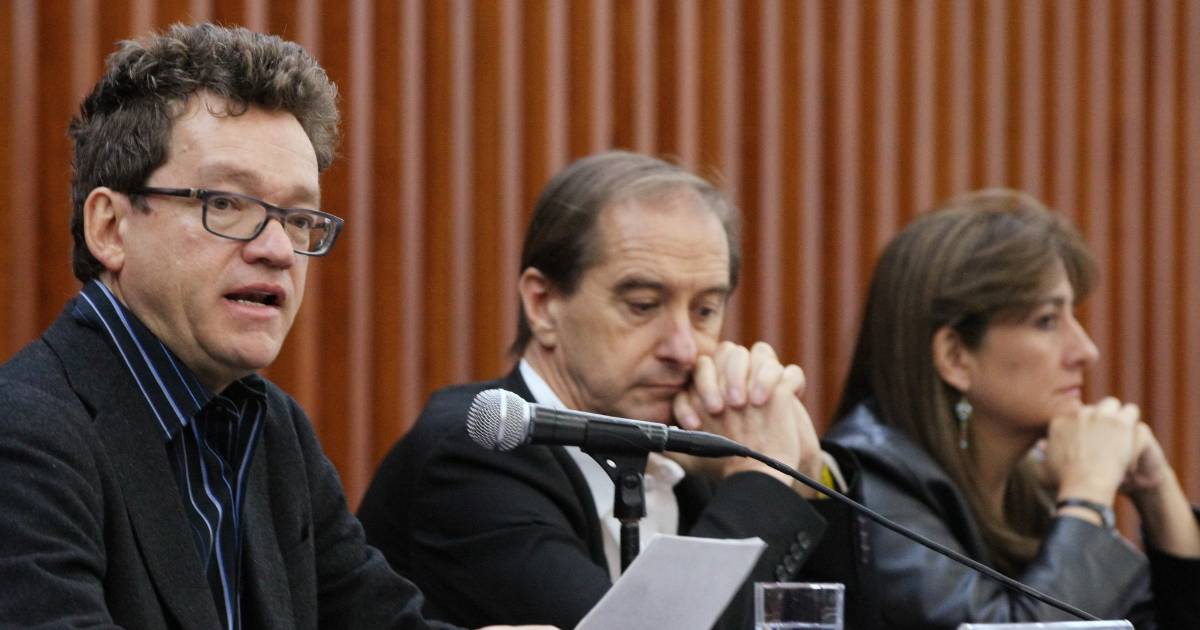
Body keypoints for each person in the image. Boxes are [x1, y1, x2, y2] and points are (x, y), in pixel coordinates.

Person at [0, 23, 553, 630]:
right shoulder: (24, 435)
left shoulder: (273, 429)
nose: (279, 250)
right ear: (110, 228)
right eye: (226, 203)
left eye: (298, 217)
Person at [358, 151, 876, 630]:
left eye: (705, 311)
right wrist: (761, 479)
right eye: (643, 305)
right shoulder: (473, 458)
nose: (683, 347)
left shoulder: (695, 451)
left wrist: (805, 473)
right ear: (543, 305)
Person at [825, 188, 1200, 629]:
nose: (1086, 351)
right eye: (1047, 321)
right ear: (955, 356)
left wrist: (1159, 494)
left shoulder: (1029, 487)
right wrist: (1088, 497)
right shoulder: (869, 487)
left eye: (1074, 317)